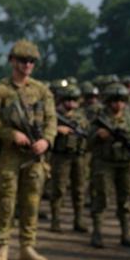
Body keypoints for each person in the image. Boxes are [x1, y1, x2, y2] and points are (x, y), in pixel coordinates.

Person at [0, 39, 56, 260]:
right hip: (10, 153)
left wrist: (46, 140)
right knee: (6, 201)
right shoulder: (1, 89)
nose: (27, 65)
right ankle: (2, 246)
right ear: (12, 61)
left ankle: (27, 246)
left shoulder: (41, 90)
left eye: (31, 61)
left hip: (34, 155)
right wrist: (11, 134)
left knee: (32, 201)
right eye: (22, 60)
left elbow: (51, 120)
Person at [88, 83, 130, 248]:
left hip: (126, 163)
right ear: (108, 101)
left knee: (126, 200)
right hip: (104, 163)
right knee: (101, 198)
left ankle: (126, 234)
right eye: (114, 100)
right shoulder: (100, 120)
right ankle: (97, 233)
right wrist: (99, 136)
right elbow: (87, 143)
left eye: (121, 100)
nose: (118, 104)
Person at [49, 85, 90, 233]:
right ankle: (56, 220)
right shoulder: (54, 116)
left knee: (79, 189)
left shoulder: (81, 117)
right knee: (58, 189)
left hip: (79, 156)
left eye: (74, 100)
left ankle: (78, 219)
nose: (71, 103)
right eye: (68, 100)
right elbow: (42, 131)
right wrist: (56, 130)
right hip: (61, 156)